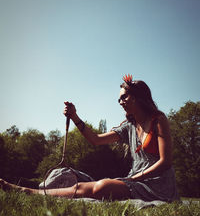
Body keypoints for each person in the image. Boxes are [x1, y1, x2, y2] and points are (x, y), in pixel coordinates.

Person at [0, 74, 179, 201]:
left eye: (124, 97)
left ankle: (27, 192)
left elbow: (165, 162)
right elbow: (95, 139)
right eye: (119, 99)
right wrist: (75, 117)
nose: (120, 102)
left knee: (101, 187)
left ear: (138, 97)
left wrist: (133, 179)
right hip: (134, 180)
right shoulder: (128, 127)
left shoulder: (158, 119)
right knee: (71, 175)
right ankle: (38, 191)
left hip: (158, 186)